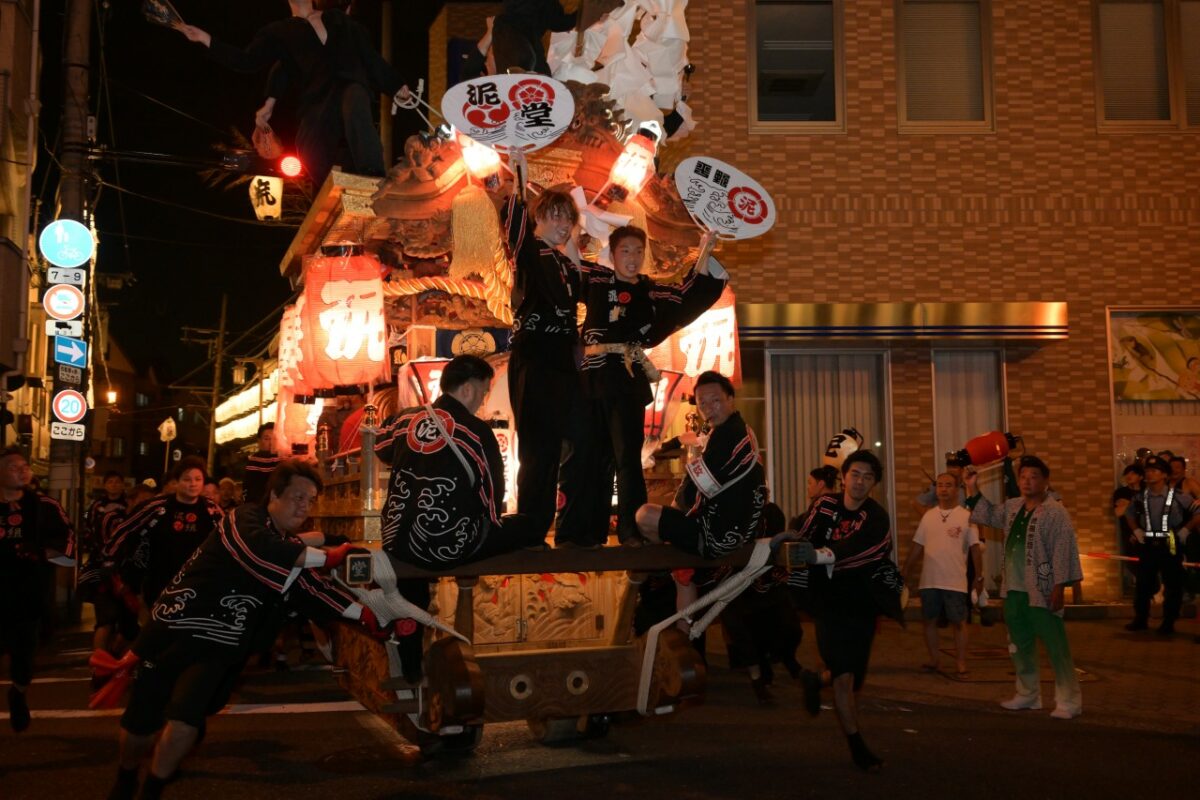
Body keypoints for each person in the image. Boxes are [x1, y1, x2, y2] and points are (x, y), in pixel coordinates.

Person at [106, 460, 390, 800]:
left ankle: (152, 789)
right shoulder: (243, 519)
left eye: (311, 500)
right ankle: (126, 775)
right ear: (274, 495)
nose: (304, 505)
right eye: (298, 496)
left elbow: (313, 592)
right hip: (175, 628)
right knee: (141, 721)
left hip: (220, 644)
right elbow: (262, 551)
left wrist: (365, 615)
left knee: (186, 718)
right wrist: (329, 558)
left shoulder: (292, 551)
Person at [557, 225, 726, 546]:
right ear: (612, 254)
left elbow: (687, 293)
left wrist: (706, 248)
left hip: (625, 380)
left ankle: (632, 532)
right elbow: (570, 266)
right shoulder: (597, 280)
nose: (632, 258)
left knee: (626, 458)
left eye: (638, 251)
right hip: (590, 380)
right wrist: (570, 232)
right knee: (586, 455)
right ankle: (581, 533)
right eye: (625, 251)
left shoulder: (651, 292)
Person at [174, 0, 412, 186]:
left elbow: (370, 57)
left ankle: (374, 176)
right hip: (317, 99)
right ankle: (340, 186)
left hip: (350, 84)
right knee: (308, 150)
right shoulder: (279, 32)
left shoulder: (339, 20)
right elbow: (250, 61)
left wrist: (395, 85)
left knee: (355, 105)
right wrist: (206, 39)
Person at [774, 450, 894, 771]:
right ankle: (858, 747)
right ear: (844, 476)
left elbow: (871, 552)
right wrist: (794, 581)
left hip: (862, 603)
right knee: (843, 677)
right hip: (828, 603)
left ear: (874, 483)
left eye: (868, 477)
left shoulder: (876, 517)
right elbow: (803, 544)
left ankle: (815, 679)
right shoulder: (825, 506)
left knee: (853, 678)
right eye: (855, 474)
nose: (860, 482)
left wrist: (824, 554)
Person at [375, 354, 542, 568]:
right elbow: (492, 499)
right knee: (529, 525)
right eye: (484, 391)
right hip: (447, 545)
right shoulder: (477, 431)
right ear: (467, 390)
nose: (483, 399)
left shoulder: (404, 419)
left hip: (395, 542)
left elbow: (380, 447)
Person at [502, 151, 587, 543]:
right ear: (538, 218)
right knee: (537, 445)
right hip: (535, 356)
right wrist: (519, 179)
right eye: (554, 216)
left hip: (564, 361)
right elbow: (515, 227)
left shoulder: (568, 265)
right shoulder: (530, 252)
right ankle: (532, 528)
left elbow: (585, 279)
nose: (563, 224)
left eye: (568, 218)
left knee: (574, 441)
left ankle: (571, 524)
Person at [964, 455, 1083, 719]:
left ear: (1045, 481)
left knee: (1055, 645)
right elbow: (987, 514)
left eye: (1034, 477)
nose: (1028, 482)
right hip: (1014, 589)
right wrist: (972, 487)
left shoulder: (1055, 512)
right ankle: (1028, 694)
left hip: (1042, 588)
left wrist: (1059, 587)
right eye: (1023, 477)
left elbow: (1063, 550)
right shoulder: (1013, 506)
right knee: (1019, 643)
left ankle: (1069, 700)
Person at [634, 371, 766, 559]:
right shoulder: (738, 430)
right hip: (738, 532)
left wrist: (672, 515)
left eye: (715, 400)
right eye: (702, 403)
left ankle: (668, 567)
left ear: (730, 399)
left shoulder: (728, 436)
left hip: (717, 537)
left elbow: (692, 492)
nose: (708, 408)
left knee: (644, 515)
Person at [0, 447, 75, 732]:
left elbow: (68, 541)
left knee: (24, 661)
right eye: (12, 466)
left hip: (27, 599)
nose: (21, 470)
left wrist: (41, 552)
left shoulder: (44, 506)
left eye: (24, 465)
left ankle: (18, 692)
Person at [105, 457, 224, 610]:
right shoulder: (156, 506)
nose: (193, 483)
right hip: (159, 583)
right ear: (177, 481)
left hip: (197, 583)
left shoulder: (211, 509)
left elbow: (226, 538)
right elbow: (124, 530)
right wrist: (109, 560)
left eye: (198, 479)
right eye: (186, 479)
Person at [902, 472, 983, 676]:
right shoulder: (928, 516)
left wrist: (978, 577)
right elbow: (917, 546)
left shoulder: (967, 516)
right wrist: (904, 571)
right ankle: (935, 660)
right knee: (929, 621)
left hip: (955, 580)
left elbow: (975, 548)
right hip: (929, 580)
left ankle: (961, 661)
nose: (943, 489)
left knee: (959, 622)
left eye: (948, 485)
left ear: (957, 490)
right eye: (939, 485)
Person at [1123, 456, 1200, 635]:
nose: (1149, 474)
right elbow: (1129, 514)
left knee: (1173, 584)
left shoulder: (1179, 496)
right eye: (1147, 471)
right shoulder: (1140, 497)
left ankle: (1168, 623)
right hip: (1148, 542)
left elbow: (1198, 512)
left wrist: (1186, 530)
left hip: (1171, 541)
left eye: (1154, 471)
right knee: (1143, 584)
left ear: (1164, 475)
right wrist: (1136, 531)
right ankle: (1141, 619)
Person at [495, 0, 578, 75]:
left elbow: (556, 21)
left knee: (535, 75)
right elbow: (556, 21)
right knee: (535, 74)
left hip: (514, 36)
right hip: (514, 37)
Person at [243, 422, 283, 504]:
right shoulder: (254, 461)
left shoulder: (283, 458)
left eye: (274, 439)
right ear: (259, 441)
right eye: (267, 439)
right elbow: (249, 488)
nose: (271, 442)